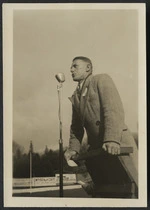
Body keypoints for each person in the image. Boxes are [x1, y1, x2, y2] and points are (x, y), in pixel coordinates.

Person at [64, 56, 138, 198]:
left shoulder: (101, 79)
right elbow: (76, 128)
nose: (71, 69)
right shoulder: (75, 96)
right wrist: (73, 148)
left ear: (88, 68)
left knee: (136, 187)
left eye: (75, 66)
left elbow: (113, 109)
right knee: (107, 190)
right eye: (71, 67)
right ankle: (92, 187)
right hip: (99, 148)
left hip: (118, 142)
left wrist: (112, 139)